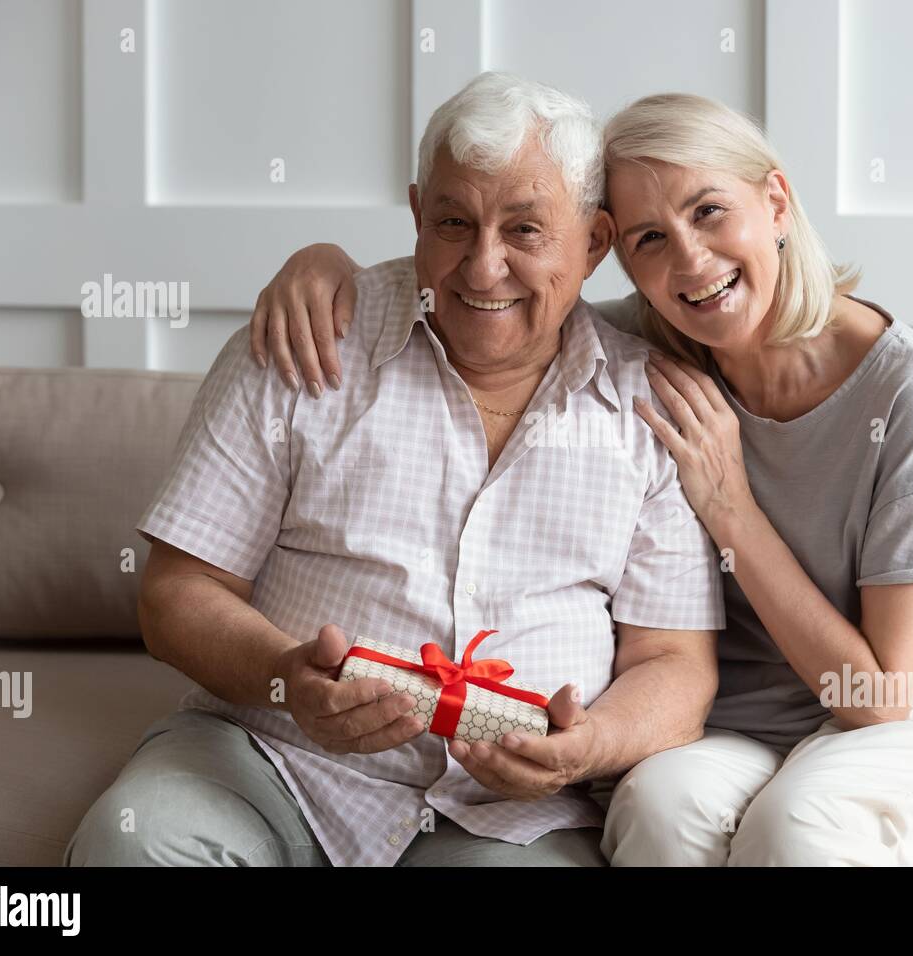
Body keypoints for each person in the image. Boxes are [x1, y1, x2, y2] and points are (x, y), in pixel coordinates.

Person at [248, 82, 913, 867]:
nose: (691, 260)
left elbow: (884, 697)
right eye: (650, 239)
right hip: (742, 726)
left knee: (797, 827)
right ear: (610, 254)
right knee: (653, 810)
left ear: (778, 203)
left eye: (709, 211)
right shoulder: (643, 350)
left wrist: (733, 511)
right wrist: (325, 265)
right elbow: (504, 299)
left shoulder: (905, 390)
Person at [64, 73, 725, 868]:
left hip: (509, 815)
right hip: (273, 759)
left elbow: (674, 663)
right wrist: (285, 677)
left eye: (524, 230)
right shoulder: (306, 342)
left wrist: (592, 747)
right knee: (136, 844)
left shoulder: (649, 407)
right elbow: (177, 594)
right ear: (417, 216)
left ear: (592, 243)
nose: (483, 268)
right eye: (454, 222)